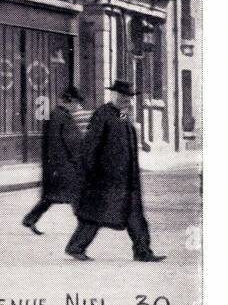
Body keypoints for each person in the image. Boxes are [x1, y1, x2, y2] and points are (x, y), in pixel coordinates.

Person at [65, 80, 165, 262]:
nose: (126, 100)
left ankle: (143, 252)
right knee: (95, 214)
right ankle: (76, 246)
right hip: (106, 177)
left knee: (135, 215)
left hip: (127, 178)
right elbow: (90, 146)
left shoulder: (123, 116)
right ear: (113, 96)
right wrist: (89, 173)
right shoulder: (102, 114)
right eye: (122, 96)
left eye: (128, 97)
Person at [22, 85, 85, 234]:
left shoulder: (54, 115)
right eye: (76, 103)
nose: (78, 107)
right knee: (76, 196)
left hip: (55, 167)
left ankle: (30, 219)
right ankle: (85, 227)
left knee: (51, 197)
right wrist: (79, 161)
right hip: (65, 167)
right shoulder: (64, 118)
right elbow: (73, 143)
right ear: (69, 101)